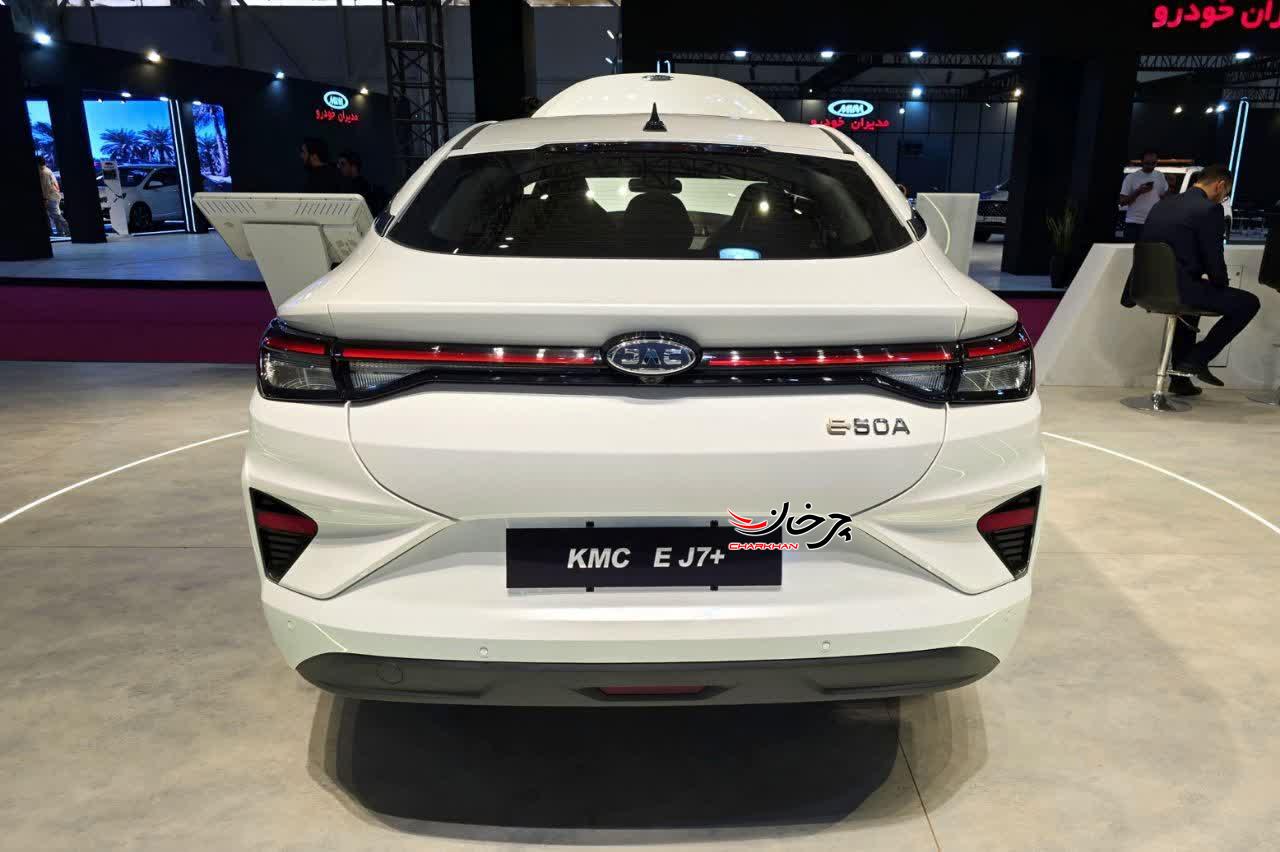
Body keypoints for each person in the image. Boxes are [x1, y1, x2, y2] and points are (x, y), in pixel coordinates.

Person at [1140, 164, 1260, 392]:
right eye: (1226, 194)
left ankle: (1180, 381)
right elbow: (1213, 257)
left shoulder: (1162, 204)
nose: (1223, 199)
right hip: (1180, 289)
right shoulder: (1209, 209)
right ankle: (1197, 359)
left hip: (1145, 287)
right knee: (1248, 303)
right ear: (1220, 185)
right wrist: (1220, 284)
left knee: (1191, 303)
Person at [1118, 149, 1169, 241]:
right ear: (1141, 162)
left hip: (1153, 222)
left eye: (1154, 163)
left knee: (1151, 250)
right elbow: (1122, 202)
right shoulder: (1131, 178)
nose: (1151, 166)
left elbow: (1164, 197)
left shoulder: (1160, 176)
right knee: (1133, 248)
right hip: (1134, 222)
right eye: (1147, 163)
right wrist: (1138, 192)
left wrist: (1171, 186)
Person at [37, 156, 70, 237]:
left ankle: (69, 230)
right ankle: (60, 232)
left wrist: (45, 198)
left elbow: (46, 187)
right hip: (53, 195)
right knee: (55, 215)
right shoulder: (47, 170)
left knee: (57, 215)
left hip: (50, 197)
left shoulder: (44, 172)